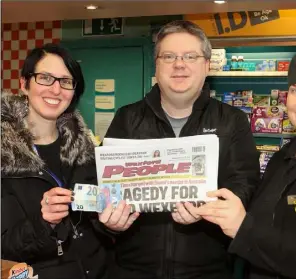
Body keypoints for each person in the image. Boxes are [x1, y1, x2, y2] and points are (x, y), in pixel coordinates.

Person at [98, 20, 260, 279]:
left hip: (208, 270)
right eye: (169, 56)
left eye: (190, 56)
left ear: (207, 65)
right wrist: (110, 221)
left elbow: (246, 183)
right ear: (157, 65)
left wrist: (209, 207)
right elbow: (105, 187)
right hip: (132, 269)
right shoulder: (127, 118)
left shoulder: (232, 120)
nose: (179, 64)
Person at [195, 48, 296, 279]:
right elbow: (262, 224)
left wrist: (244, 229)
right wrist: (210, 210)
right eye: (295, 91)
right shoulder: (284, 156)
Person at [1, 43, 111, 279]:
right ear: (24, 84)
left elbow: (97, 225)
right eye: (45, 78)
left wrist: (113, 222)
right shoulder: (4, 157)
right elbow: (5, 245)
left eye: (66, 81)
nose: (56, 89)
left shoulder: (86, 150)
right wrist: (44, 222)